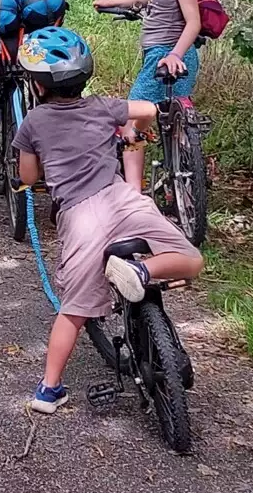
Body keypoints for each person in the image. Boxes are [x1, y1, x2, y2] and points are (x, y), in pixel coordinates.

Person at [11, 26, 204, 414]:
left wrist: (33, 170)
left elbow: (29, 178)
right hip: (123, 202)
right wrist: (133, 137)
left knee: (75, 309)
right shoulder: (103, 107)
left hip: (81, 219)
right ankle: (146, 272)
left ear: (37, 85)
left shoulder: (33, 123)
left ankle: (49, 391)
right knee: (191, 258)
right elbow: (148, 109)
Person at [94, 0, 203, 191]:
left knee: (131, 124)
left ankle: (133, 196)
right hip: (176, 56)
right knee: (173, 121)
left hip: (165, 56)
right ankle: (184, 180)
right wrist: (114, 2)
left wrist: (173, 55)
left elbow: (193, 21)